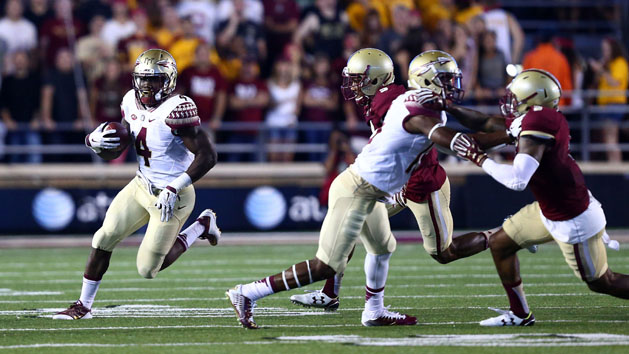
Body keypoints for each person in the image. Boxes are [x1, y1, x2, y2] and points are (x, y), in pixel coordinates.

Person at [226, 48, 497, 329]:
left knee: (386, 248)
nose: (353, 86)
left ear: (376, 79)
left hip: (396, 185)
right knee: (329, 262)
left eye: (358, 79)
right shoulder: (388, 99)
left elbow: (427, 141)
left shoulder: (391, 102)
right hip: (365, 186)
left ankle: (372, 310)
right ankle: (250, 293)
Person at [447, 68, 629, 326]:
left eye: (516, 97)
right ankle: (520, 314)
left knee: (602, 281)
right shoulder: (538, 117)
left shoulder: (537, 126)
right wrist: (449, 109)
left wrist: (479, 159)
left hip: (571, 218)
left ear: (532, 98)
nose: (510, 102)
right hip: (549, 209)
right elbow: (486, 123)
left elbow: (517, 180)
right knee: (500, 244)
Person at [52, 49, 221, 320]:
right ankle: (83, 306)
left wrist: (175, 186)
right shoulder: (130, 100)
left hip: (174, 195)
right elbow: (127, 137)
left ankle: (201, 226)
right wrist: (95, 141)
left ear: (168, 80)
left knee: (148, 268)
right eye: (142, 78)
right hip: (141, 185)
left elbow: (208, 156)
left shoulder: (178, 108)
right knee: (103, 237)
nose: (146, 85)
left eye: (153, 79)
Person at [588, 37, 628, 162]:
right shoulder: (608, 65)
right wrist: (599, 70)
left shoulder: (620, 63)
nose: (604, 53)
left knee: (611, 139)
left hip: (615, 104)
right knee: (608, 140)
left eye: (606, 50)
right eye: (603, 50)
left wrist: (600, 69)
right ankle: (614, 166)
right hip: (605, 105)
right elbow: (596, 83)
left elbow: (615, 83)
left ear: (613, 49)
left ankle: (617, 169)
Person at [265, 57, 301, 162]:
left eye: (285, 65)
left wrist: (280, 102)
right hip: (273, 123)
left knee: (287, 157)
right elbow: (269, 103)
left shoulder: (297, 85)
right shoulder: (269, 83)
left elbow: (297, 109)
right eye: (280, 65)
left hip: (291, 123)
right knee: (273, 156)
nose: (283, 68)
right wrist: (286, 100)